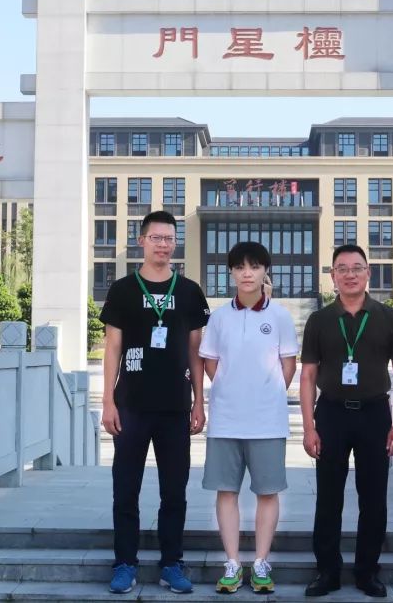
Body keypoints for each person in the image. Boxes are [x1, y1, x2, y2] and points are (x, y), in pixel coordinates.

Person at [100, 210, 210, 595]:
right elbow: (112, 348)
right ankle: (124, 563)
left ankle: (171, 563)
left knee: (174, 492)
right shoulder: (123, 290)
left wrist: (199, 402)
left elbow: (196, 352)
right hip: (130, 405)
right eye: (156, 238)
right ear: (142, 241)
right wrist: (108, 400)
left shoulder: (190, 292)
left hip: (175, 408)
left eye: (169, 239)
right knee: (125, 489)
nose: (163, 245)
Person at [299, 244, 393, 598]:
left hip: (375, 414)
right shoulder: (319, 320)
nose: (350, 274)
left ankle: (367, 572)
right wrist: (309, 427)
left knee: (374, 498)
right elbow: (308, 376)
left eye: (357, 268)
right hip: (331, 413)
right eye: (343, 269)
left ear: (368, 273)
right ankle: (327, 572)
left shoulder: (387, 317)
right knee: (328, 498)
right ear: (333, 276)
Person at [198, 242, 297, 594]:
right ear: (231, 272)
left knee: (267, 492)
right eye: (240, 267)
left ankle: (260, 563)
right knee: (226, 490)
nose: (247, 273)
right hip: (226, 419)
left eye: (254, 266)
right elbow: (210, 362)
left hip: (268, 421)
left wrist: (266, 392)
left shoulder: (280, 316)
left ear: (265, 271)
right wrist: (231, 389)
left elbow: (288, 365)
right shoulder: (219, 317)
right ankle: (232, 563)